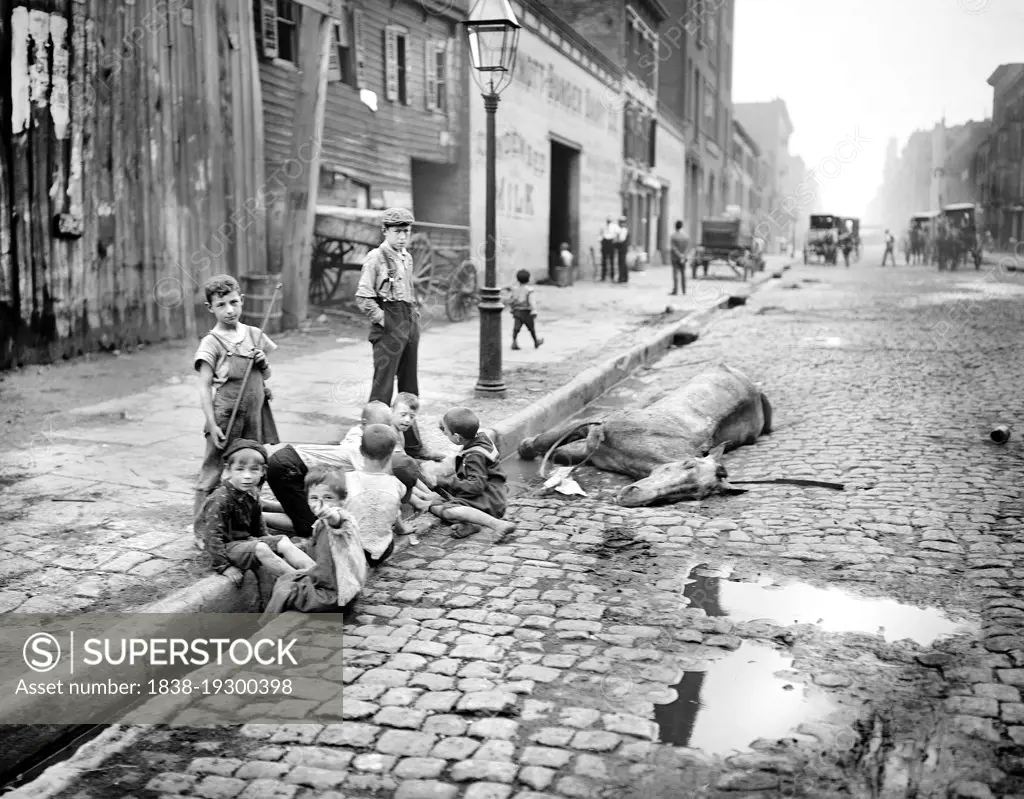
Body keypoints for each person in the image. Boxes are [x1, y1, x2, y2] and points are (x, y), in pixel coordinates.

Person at [192, 274, 279, 521]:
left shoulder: (254, 333)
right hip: (225, 416)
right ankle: (201, 525)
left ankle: (247, 519)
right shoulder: (212, 342)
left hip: (254, 414)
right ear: (210, 308)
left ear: (241, 300)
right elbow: (204, 386)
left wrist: (263, 363)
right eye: (221, 305)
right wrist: (211, 422)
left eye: (233, 303)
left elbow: (266, 375)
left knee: (253, 465)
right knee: (213, 468)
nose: (229, 310)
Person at [264, 401, 421, 536]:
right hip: (287, 467)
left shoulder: (369, 445)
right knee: (313, 526)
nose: (383, 432)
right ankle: (260, 515)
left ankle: (267, 505)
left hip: (292, 464)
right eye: (378, 426)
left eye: (387, 426)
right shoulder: (362, 450)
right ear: (364, 425)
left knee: (313, 509)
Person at [196, 439, 315, 585]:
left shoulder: (252, 492)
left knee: (282, 540)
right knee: (261, 548)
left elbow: (259, 526)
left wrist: (272, 543)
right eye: (240, 469)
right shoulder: (220, 498)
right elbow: (212, 536)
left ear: (263, 471)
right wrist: (224, 567)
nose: (247, 476)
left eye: (254, 470)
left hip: (244, 543)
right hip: (226, 548)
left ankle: (315, 573)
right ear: (228, 470)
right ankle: (300, 583)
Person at [259, 467, 368, 623]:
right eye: (314, 498)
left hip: (334, 596)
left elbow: (338, 521)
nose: (320, 503)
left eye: (328, 497)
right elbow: (315, 547)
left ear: (342, 500)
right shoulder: (319, 524)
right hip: (332, 585)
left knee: (285, 590)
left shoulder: (343, 522)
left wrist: (329, 514)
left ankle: (263, 626)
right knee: (289, 578)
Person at [355, 207, 420, 406]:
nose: (402, 237)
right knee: (383, 386)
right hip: (389, 325)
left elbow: (408, 289)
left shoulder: (406, 257)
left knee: (410, 384)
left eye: (406, 232)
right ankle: (377, 433)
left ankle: (408, 435)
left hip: (408, 321)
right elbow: (363, 297)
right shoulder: (376, 257)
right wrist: (385, 322)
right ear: (385, 231)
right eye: (397, 231)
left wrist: (414, 318)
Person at [418, 407, 516, 540]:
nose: (444, 433)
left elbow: (475, 486)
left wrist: (441, 481)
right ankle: (472, 524)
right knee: (439, 496)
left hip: (489, 500)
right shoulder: (480, 438)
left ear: (457, 437)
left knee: (444, 510)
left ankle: (497, 524)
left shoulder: (474, 456)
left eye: (446, 431)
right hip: (494, 493)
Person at [344, 424, 414, 566]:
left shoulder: (346, 480)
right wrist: (402, 529)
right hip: (383, 550)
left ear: (361, 451)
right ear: (390, 455)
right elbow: (396, 511)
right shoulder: (397, 484)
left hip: (352, 551)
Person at [505, 269, 543, 351]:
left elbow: (512, 299)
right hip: (527, 312)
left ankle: (514, 342)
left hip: (517, 311)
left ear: (517, 279)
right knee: (531, 328)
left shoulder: (515, 289)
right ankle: (536, 341)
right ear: (528, 279)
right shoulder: (529, 290)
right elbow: (532, 301)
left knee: (516, 328)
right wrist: (534, 310)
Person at [669, 220, 690, 295]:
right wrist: (683, 255)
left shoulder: (673, 236)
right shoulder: (686, 236)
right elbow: (688, 248)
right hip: (683, 259)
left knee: (675, 274)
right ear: (682, 226)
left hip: (675, 258)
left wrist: (679, 255)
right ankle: (684, 291)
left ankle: (675, 290)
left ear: (675, 227)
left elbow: (673, 247)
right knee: (683, 274)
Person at [616, 215, 630, 283]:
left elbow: (621, 240)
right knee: (622, 263)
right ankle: (624, 277)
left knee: (622, 263)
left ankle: (622, 278)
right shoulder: (621, 230)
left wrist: (615, 243)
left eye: (621, 222)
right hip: (622, 249)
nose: (620, 223)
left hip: (623, 249)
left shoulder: (624, 230)